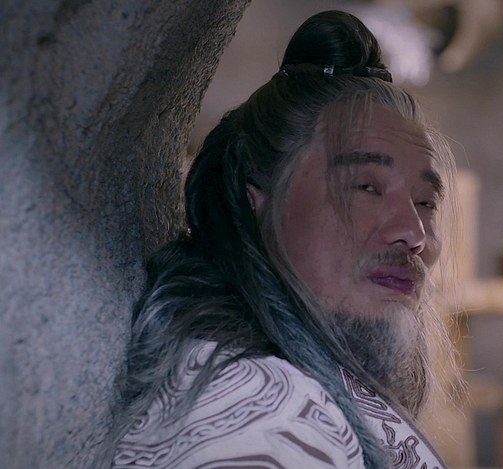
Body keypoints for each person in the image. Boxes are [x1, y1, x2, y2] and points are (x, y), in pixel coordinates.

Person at [105, 10, 460, 469]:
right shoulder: (256, 416)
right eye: (365, 188)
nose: (414, 234)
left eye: (425, 202)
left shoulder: (308, 378)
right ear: (256, 200)